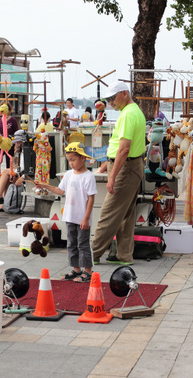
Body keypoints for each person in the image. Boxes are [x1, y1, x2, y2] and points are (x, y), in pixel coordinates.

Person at [92, 81, 146, 266]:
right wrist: (109, 164)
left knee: (109, 212)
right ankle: (124, 255)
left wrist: (112, 176)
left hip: (126, 167)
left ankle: (91, 254)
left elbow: (123, 150)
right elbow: (122, 149)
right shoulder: (133, 111)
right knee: (126, 214)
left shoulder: (128, 114)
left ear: (124, 93)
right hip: (133, 165)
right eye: (108, 99)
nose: (110, 102)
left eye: (112, 98)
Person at [35, 142, 97, 283]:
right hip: (69, 216)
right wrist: (44, 185)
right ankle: (76, 270)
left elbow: (91, 199)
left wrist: (86, 218)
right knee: (71, 243)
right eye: (69, 160)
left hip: (82, 218)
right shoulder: (68, 175)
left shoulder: (88, 177)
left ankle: (88, 271)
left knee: (83, 244)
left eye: (73, 160)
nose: (71, 163)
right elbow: (60, 190)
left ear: (83, 158)